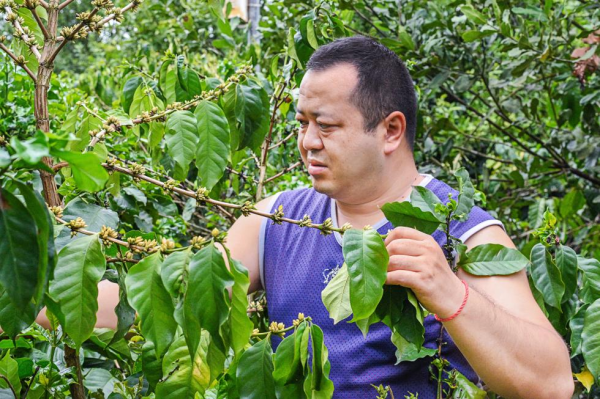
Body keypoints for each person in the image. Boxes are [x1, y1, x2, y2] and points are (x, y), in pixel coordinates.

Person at [227, 36, 574, 398]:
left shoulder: (466, 234)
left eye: (326, 125)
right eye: (302, 123)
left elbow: (552, 386)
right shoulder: (272, 220)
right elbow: (186, 302)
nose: (308, 142)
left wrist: (451, 294)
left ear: (390, 130)